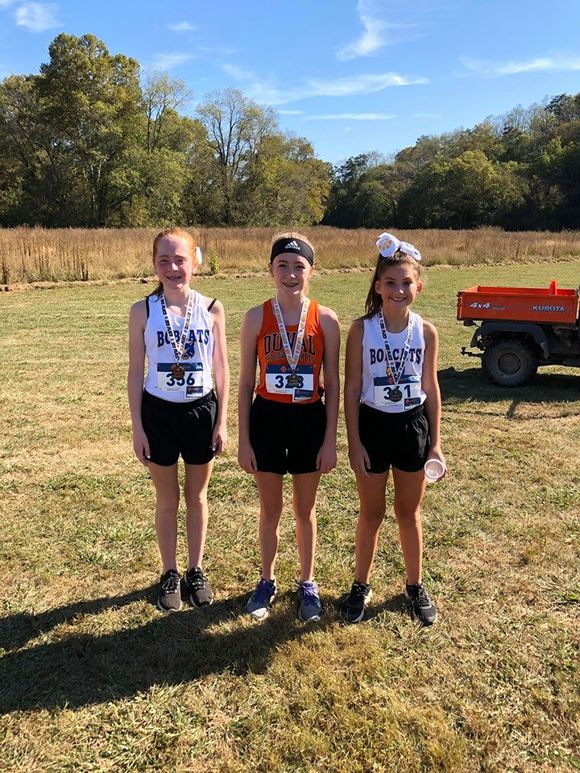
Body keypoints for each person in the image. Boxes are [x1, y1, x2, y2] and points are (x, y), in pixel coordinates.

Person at [340, 231, 445, 626]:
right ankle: (360, 584)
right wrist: (353, 444)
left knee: (408, 512)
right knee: (371, 513)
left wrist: (436, 444)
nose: (399, 290)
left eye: (406, 282)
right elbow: (351, 389)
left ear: (418, 285)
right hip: (372, 424)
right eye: (390, 283)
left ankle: (415, 585)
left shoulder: (427, 331)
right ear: (378, 286)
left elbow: (431, 388)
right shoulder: (361, 329)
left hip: (411, 426)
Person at [238, 233, 340, 622]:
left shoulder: (326, 319)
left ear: (311, 271)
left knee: (305, 508)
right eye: (283, 265)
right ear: (270, 270)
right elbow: (247, 382)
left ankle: (307, 582)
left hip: (309, 419)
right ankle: (266, 580)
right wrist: (245, 441)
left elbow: (333, 383)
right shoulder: (255, 317)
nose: (291, 273)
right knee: (270, 508)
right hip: (267, 417)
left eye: (299, 266)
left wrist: (330, 441)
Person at [128, 227, 229, 612]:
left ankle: (195, 569)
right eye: (164, 260)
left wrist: (221, 421)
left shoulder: (212, 308)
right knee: (167, 499)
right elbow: (135, 371)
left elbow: (222, 370)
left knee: (197, 496)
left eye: (180, 259)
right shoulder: (142, 310)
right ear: (154, 265)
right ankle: (169, 572)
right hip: (158, 413)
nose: (173, 267)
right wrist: (138, 428)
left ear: (195, 262)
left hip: (200, 411)